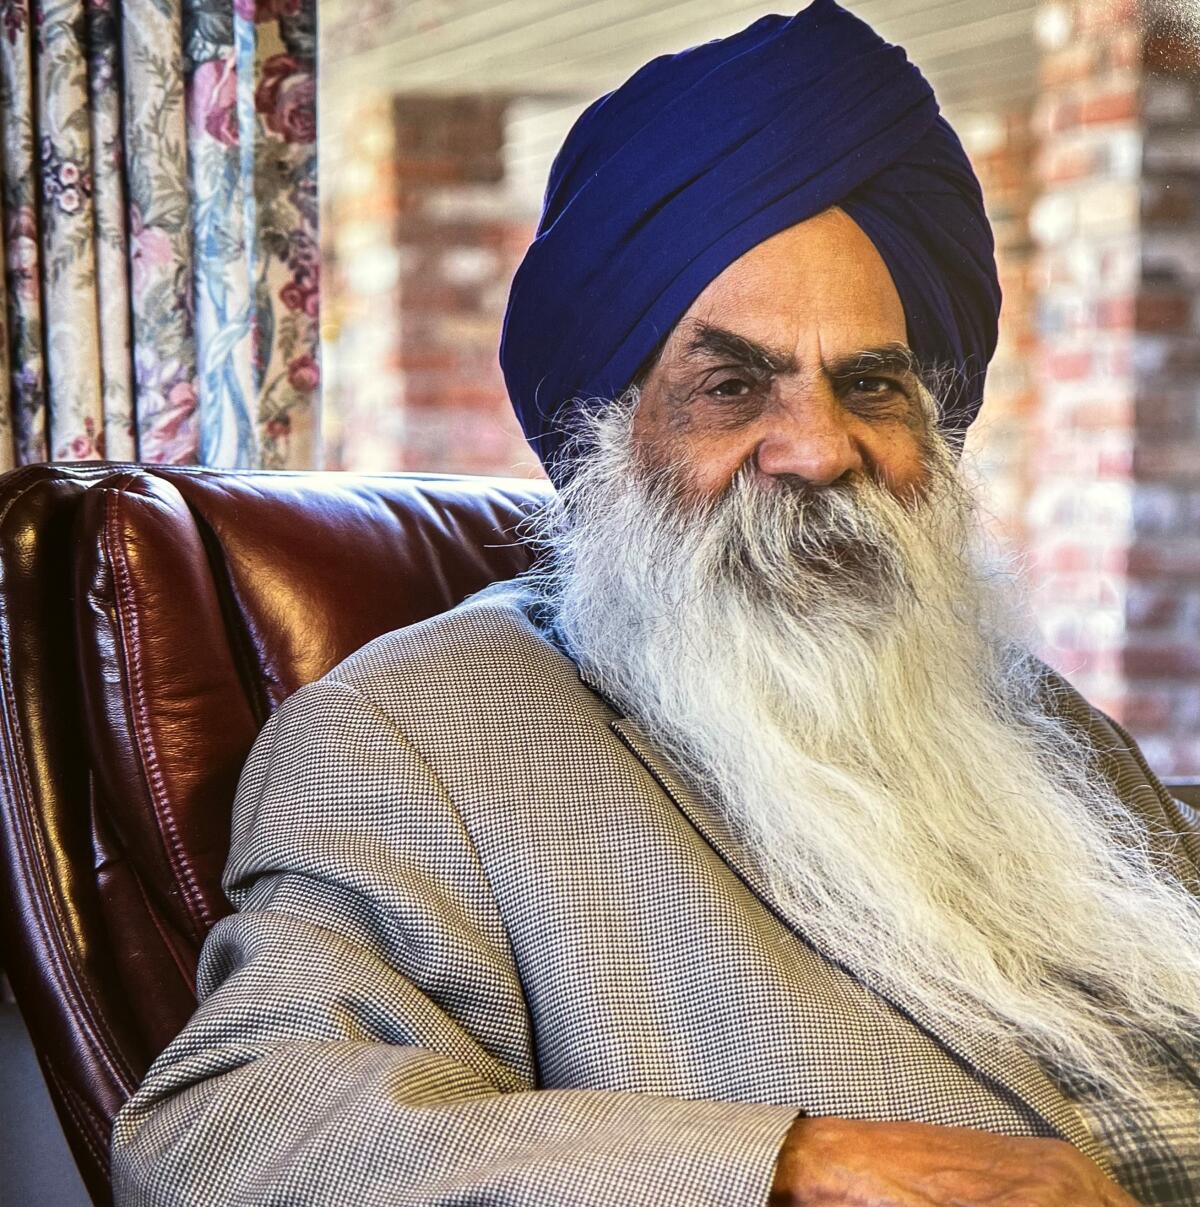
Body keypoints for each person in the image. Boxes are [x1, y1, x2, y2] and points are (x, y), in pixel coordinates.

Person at [112, 4, 1200, 1205]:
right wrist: (794, 1164)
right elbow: (230, 1131)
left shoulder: (1018, 709)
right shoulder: (415, 735)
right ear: (604, 435)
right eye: (733, 386)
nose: (817, 449)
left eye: (871, 384)